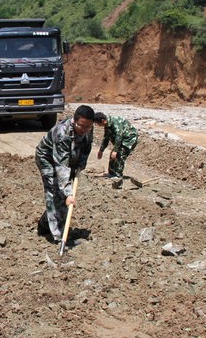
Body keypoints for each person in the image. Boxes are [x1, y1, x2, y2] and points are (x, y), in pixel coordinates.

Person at [35, 105, 95, 244]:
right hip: (47, 159)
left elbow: (87, 145)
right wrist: (68, 194)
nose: (84, 129)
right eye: (81, 126)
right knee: (55, 191)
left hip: (68, 158)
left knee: (60, 195)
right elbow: (61, 167)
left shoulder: (87, 127)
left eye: (88, 127)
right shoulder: (62, 133)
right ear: (74, 120)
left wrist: (81, 164)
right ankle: (59, 237)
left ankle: (44, 225)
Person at [94, 112, 140, 180]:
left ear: (103, 121)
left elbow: (119, 136)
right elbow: (106, 138)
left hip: (129, 139)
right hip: (122, 140)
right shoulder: (107, 125)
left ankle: (118, 175)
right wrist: (101, 150)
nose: (98, 125)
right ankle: (112, 173)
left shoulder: (115, 122)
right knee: (112, 155)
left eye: (98, 123)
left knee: (120, 154)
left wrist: (115, 150)